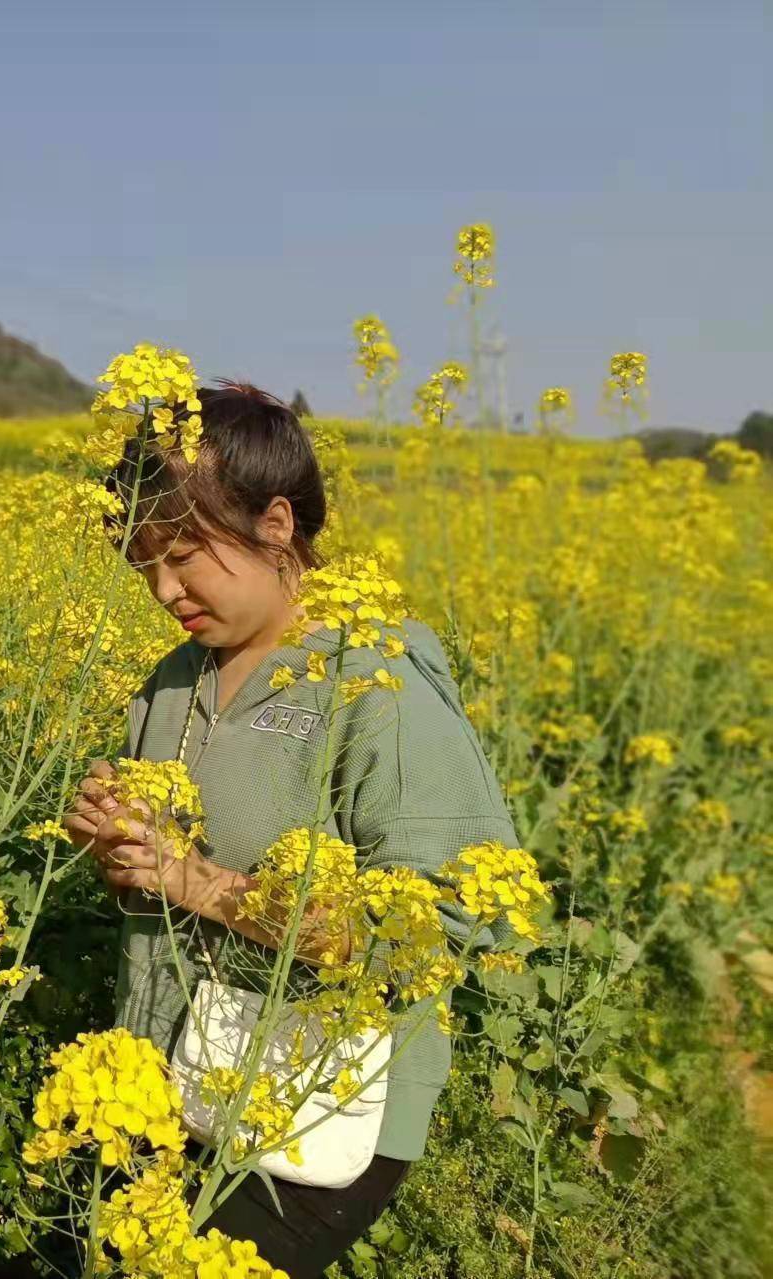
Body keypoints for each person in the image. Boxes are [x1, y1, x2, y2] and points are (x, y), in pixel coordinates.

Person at [62, 379, 522, 1279]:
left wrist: (196, 881)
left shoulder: (376, 683)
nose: (164, 590)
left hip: (313, 1116)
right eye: (142, 565)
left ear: (277, 524)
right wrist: (116, 848)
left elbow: (444, 923)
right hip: (163, 1079)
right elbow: (158, 879)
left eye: (185, 554)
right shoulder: (170, 683)